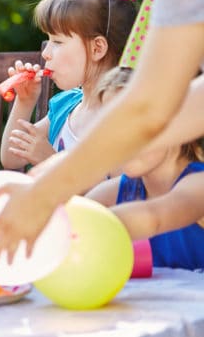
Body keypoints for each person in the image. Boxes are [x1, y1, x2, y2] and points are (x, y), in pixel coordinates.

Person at [0, 0, 204, 264]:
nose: (47, 51)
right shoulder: (68, 109)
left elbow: (153, 216)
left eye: (57, 42)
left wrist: (45, 197)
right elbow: (81, 210)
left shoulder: (196, 182)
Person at [0, 0, 137, 169]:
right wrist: (25, 102)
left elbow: (114, 193)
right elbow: (11, 159)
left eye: (57, 42)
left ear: (97, 48)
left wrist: (51, 160)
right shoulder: (66, 106)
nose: (45, 53)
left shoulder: (121, 117)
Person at [86, 67, 204, 270]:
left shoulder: (198, 183)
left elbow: (155, 217)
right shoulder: (112, 194)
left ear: (175, 123)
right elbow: (71, 220)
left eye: (132, 124)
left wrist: (89, 226)